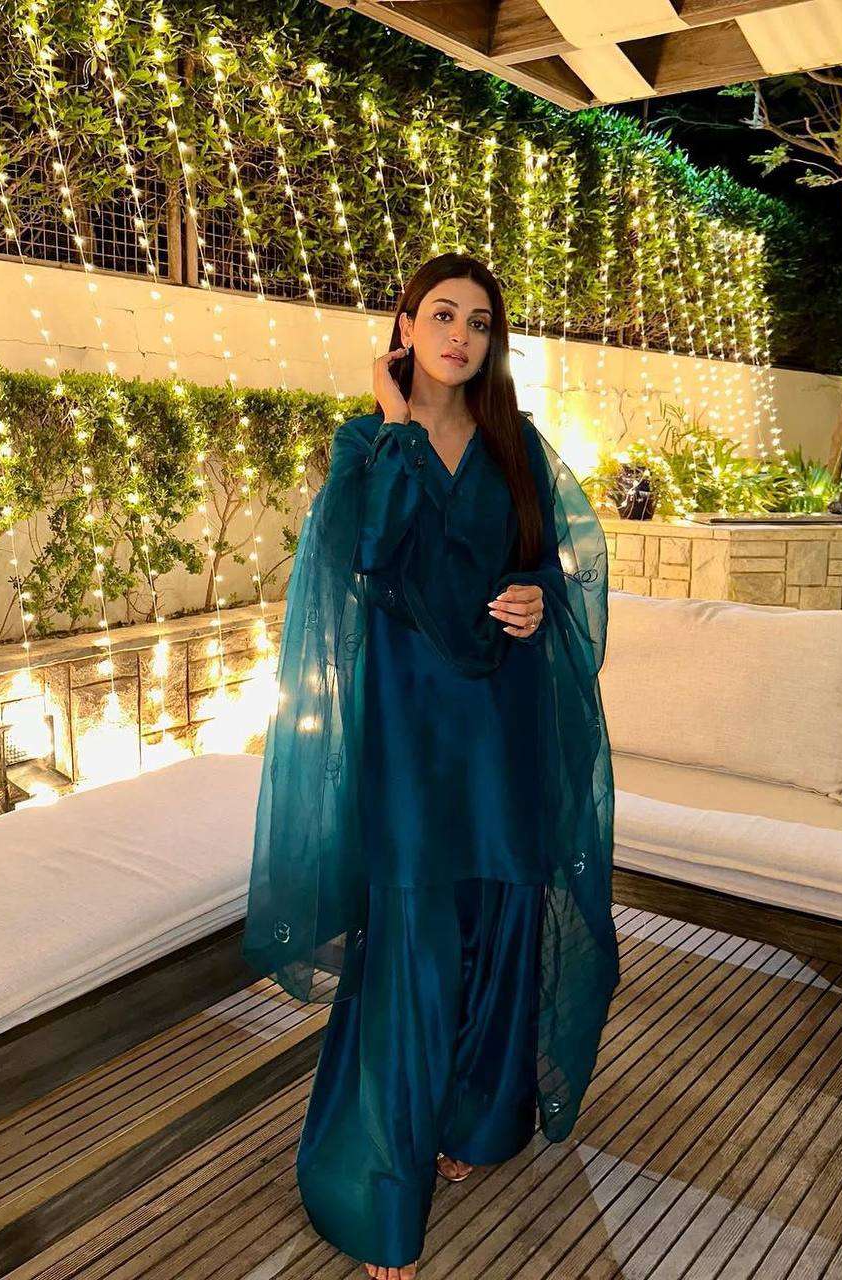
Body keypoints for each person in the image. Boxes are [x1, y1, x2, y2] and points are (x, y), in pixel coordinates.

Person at [242, 253, 619, 1278]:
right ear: (404, 325)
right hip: (409, 726)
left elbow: (550, 562)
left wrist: (537, 595)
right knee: (413, 936)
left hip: (503, 716)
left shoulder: (513, 442)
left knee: (501, 915)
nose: (460, 335)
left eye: (479, 321)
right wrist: (397, 419)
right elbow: (368, 556)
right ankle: (380, 1188)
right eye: (441, 314)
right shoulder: (365, 439)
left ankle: (472, 1116)